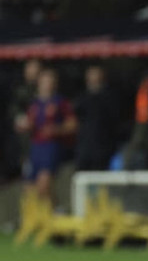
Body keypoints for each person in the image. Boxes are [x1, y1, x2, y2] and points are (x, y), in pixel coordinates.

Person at [16, 68, 76, 206]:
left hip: (51, 147)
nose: (47, 84)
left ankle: (55, 213)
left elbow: (72, 125)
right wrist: (24, 126)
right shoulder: (34, 104)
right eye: (45, 81)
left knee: (44, 185)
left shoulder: (60, 102)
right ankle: (45, 216)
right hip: (35, 148)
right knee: (29, 189)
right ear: (39, 83)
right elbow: (30, 123)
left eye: (50, 81)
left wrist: (57, 129)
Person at [73, 66, 122, 171]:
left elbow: (115, 120)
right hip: (84, 148)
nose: (94, 78)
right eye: (91, 74)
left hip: (104, 147)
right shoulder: (81, 98)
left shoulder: (110, 96)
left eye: (96, 74)